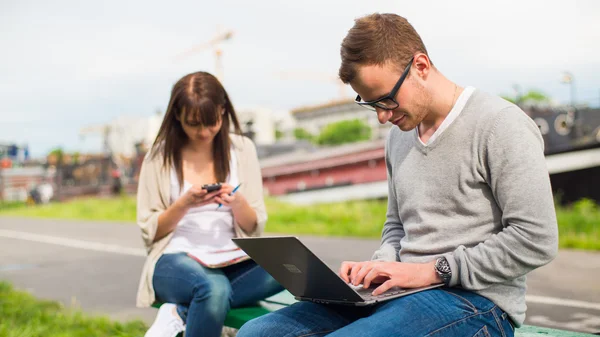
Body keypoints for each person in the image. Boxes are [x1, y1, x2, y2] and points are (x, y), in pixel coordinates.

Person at [238, 13, 558, 337]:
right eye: (371, 103)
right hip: (399, 293)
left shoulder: (500, 124)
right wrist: (380, 265)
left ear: (420, 66)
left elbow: (536, 239)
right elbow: (396, 225)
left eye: (387, 99)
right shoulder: (399, 136)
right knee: (256, 333)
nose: (382, 116)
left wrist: (430, 272)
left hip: (476, 303)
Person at [135, 71, 283, 337]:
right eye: (194, 124)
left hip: (232, 256)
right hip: (175, 258)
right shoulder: (159, 157)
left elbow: (253, 225)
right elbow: (150, 232)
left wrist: (236, 201)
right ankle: (195, 305)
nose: (203, 132)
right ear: (177, 115)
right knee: (213, 289)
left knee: (287, 266)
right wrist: (184, 204)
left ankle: (179, 313)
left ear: (223, 111)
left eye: (211, 122)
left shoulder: (242, 149)